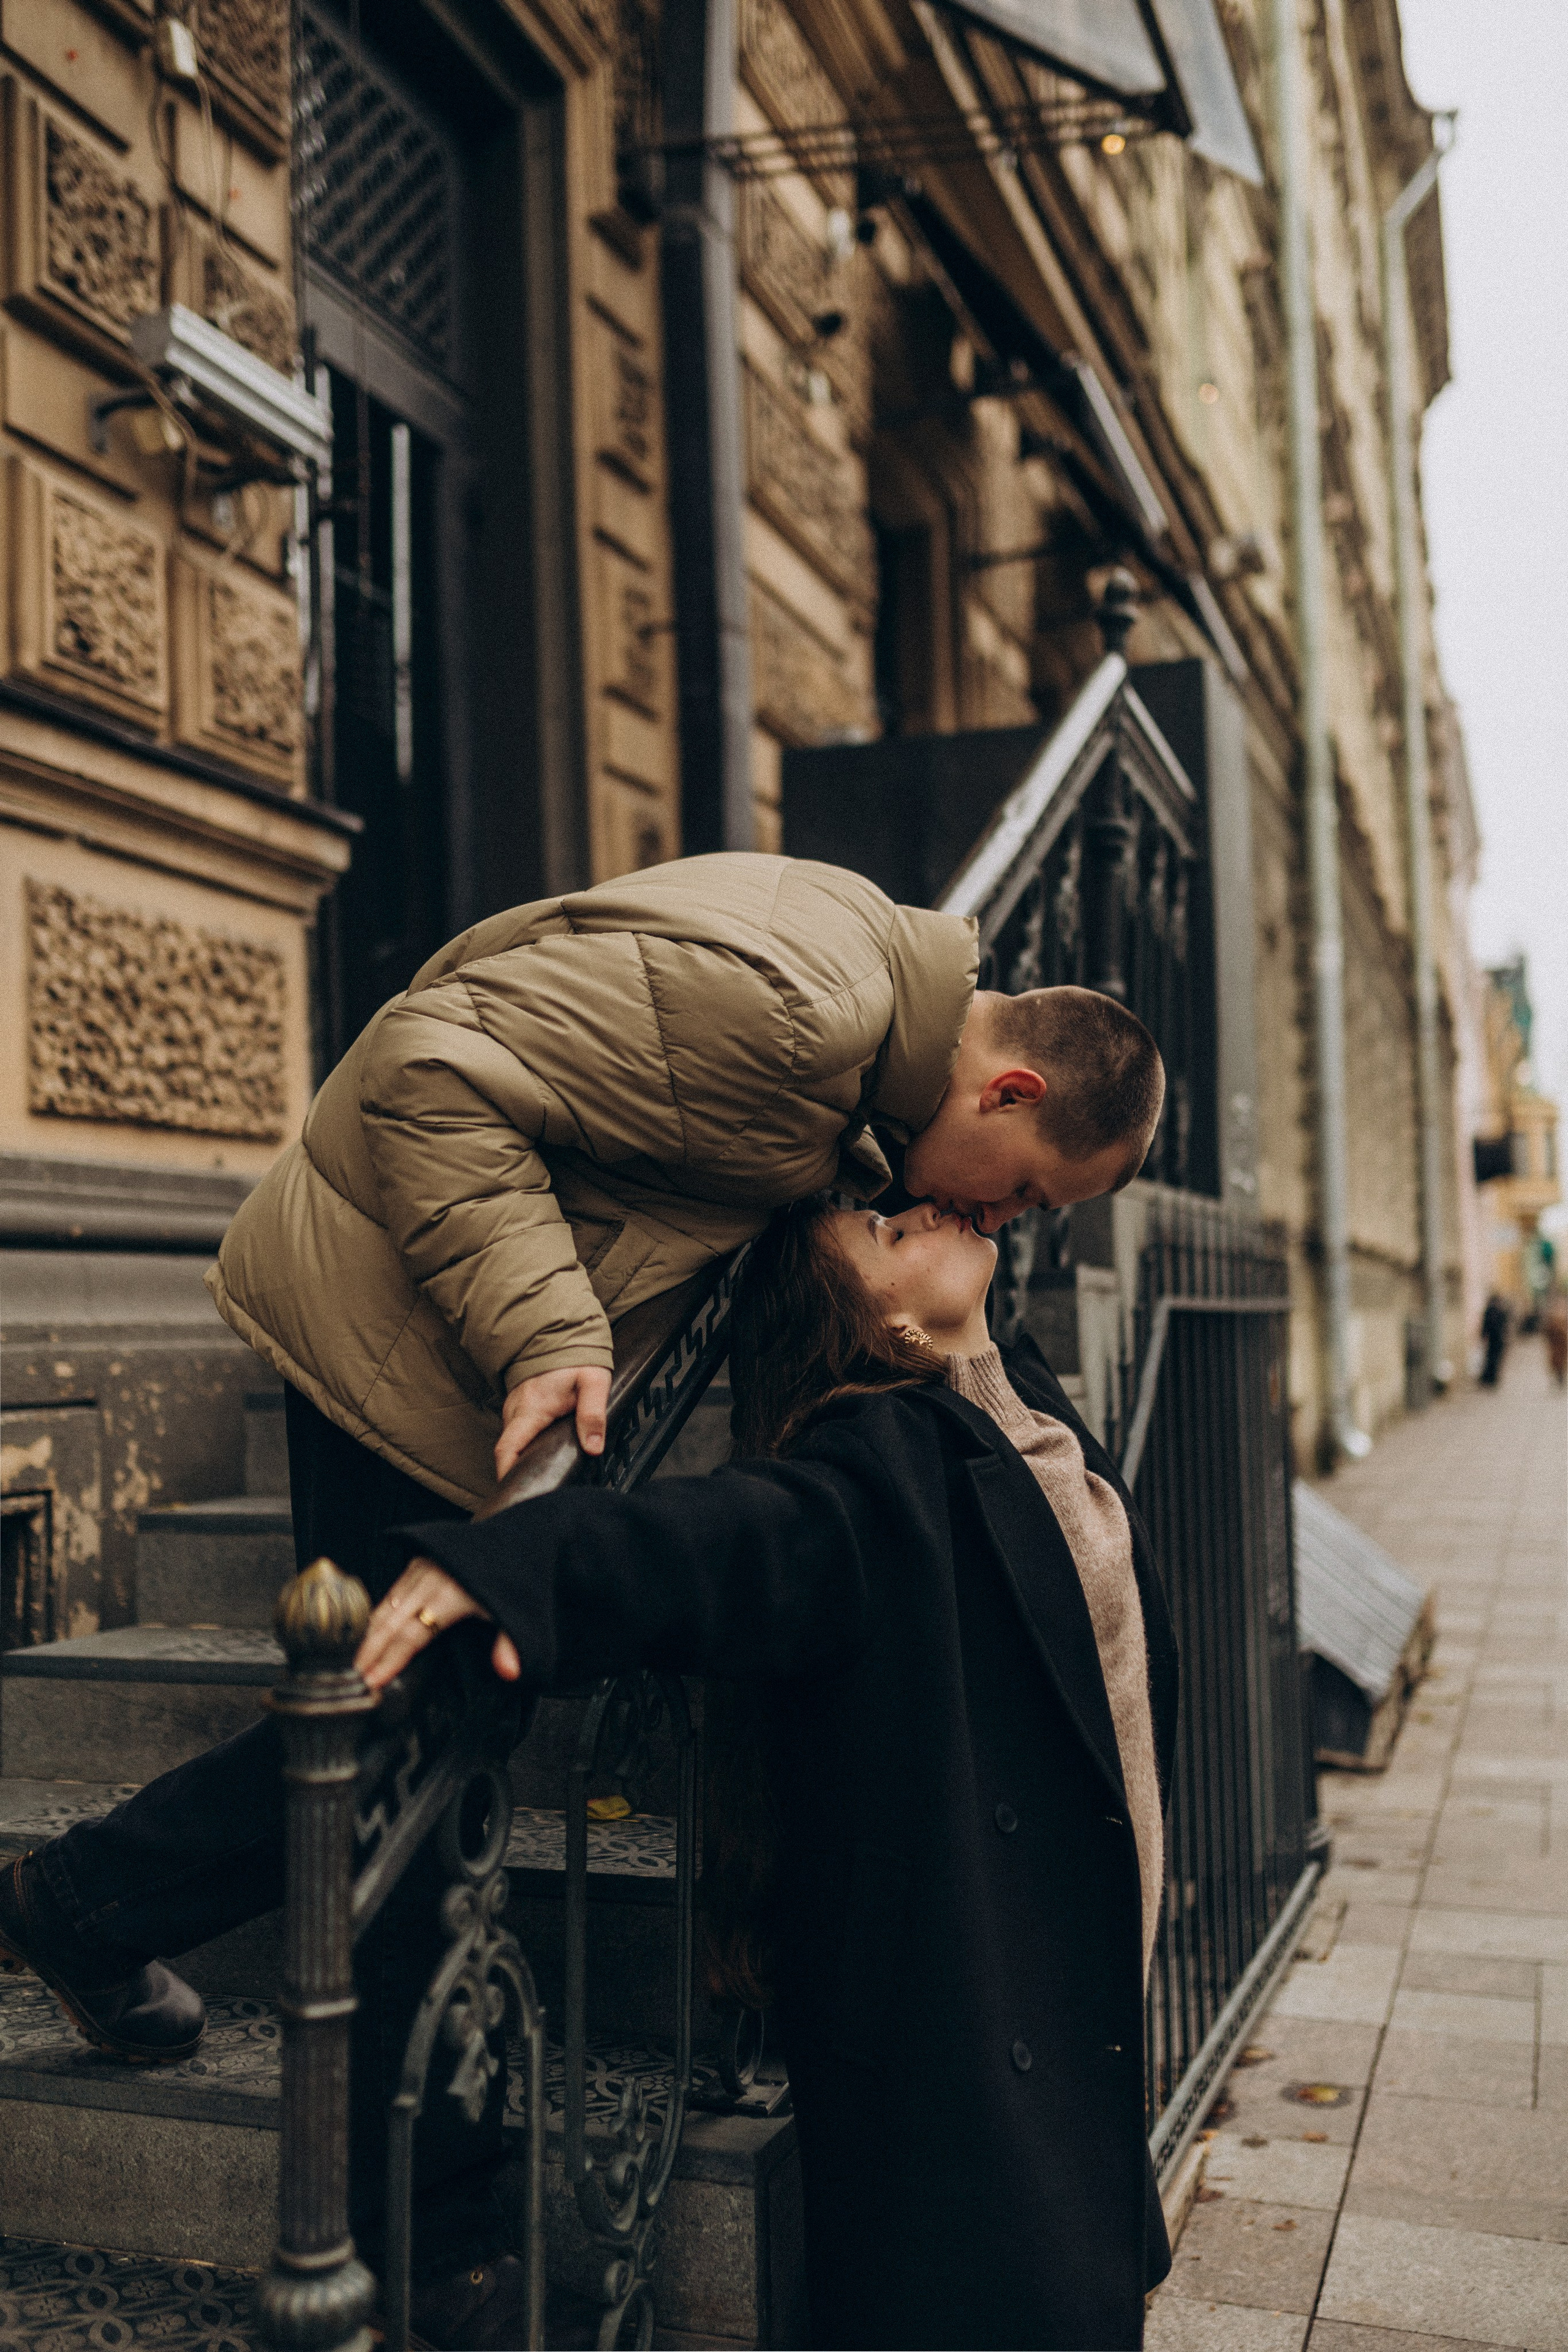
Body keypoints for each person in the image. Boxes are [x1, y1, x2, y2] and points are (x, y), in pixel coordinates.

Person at [0, 853, 1166, 2346]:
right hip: (392, 1339)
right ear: (1004, 1089)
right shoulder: (806, 1008)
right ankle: (433, 2247)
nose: (989, 1224)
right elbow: (426, 1068)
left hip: (441, 1335)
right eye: (1015, 1194)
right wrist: (549, 1324)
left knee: (419, 1718)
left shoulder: (863, 1033)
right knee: (411, 1752)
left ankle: (85, 1901)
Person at [358, 1193, 1178, 2351]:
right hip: (995, 2085)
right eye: (888, 1232)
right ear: (884, 1323)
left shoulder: (1021, 1407)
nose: (919, 1211)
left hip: (1090, 2015)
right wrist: (513, 1566)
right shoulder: (882, 1465)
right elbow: (717, 1539)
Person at [1479, 1291, 1510, 1387]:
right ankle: (1490, 1378)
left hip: (1495, 1340)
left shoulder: (1494, 1311)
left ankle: (1491, 1378)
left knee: (1493, 1359)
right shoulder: (1496, 1311)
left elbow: (1486, 1326)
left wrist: (1483, 1336)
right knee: (1493, 1359)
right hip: (1495, 1340)